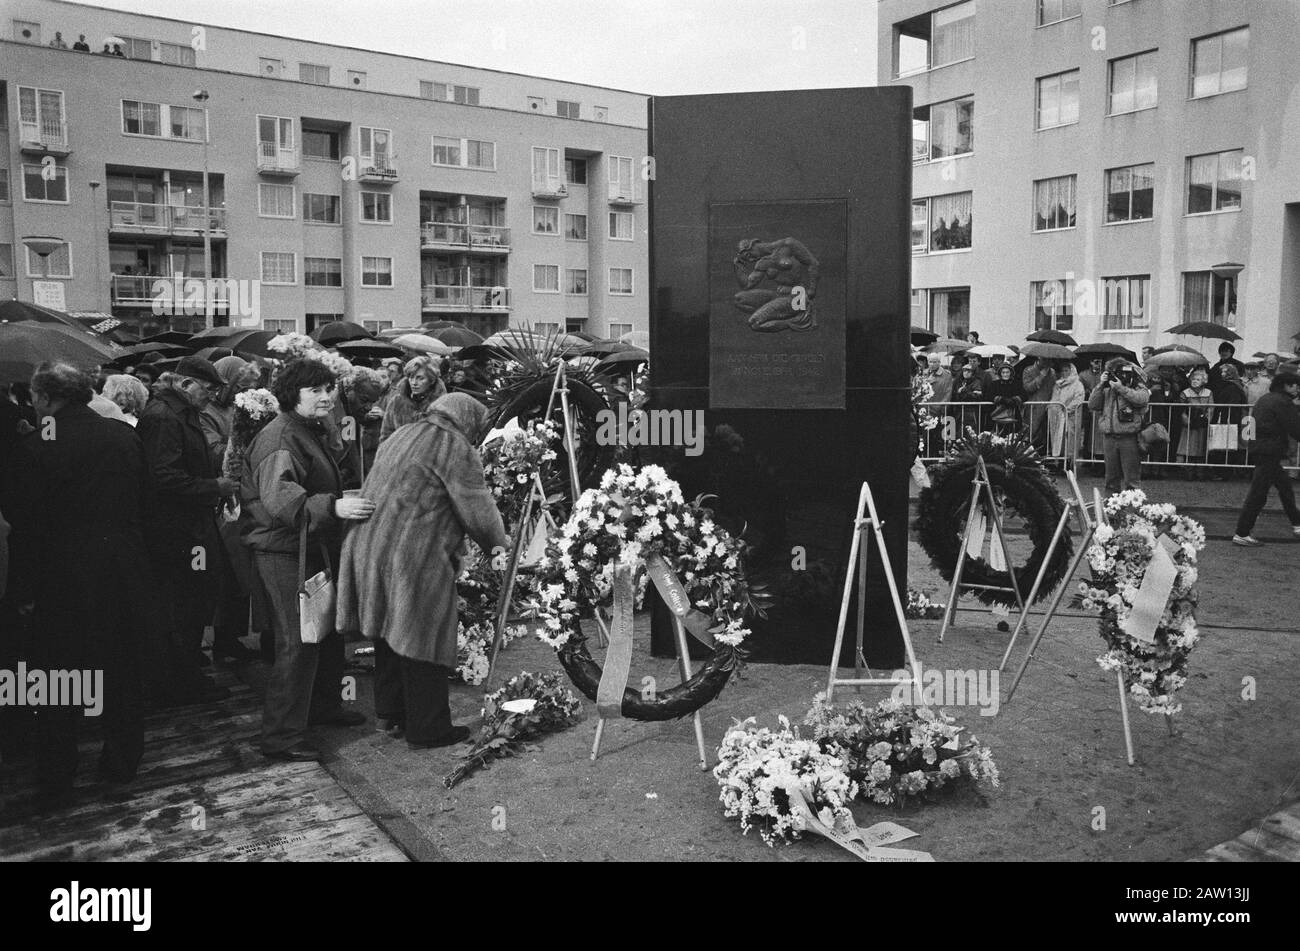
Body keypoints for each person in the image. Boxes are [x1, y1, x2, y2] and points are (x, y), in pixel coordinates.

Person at [5, 364, 152, 807]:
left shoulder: (35, 446)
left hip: (61, 577)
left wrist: (23, 591)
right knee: (122, 668)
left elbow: (24, 524)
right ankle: (123, 760)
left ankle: (57, 775)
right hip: (121, 570)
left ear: (46, 399)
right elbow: (145, 503)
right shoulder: (123, 436)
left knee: (60, 675)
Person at [337, 394, 510, 749]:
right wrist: (498, 544)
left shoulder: (401, 433)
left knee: (386, 631)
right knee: (422, 636)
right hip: (411, 553)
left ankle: (390, 715)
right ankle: (428, 728)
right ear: (468, 421)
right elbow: (477, 507)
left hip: (369, 544)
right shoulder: (453, 445)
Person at [241, 358, 373, 761]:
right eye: (315, 390)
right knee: (297, 640)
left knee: (325, 631)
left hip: (308, 546)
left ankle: (322, 707)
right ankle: (280, 737)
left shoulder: (307, 429)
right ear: (291, 394)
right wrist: (332, 506)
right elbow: (280, 499)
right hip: (283, 551)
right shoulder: (280, 436)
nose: (326, 396)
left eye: (329, 388)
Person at [137, 355, 235, 703]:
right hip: (177, 533)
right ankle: (177, 683)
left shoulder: (182, 412)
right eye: (207, 390)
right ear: (185, 384)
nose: (210, 397)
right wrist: (214, 487)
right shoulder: (164, 417)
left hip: (189, 527)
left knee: (192, 605)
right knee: (181, 607)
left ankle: (184, 676)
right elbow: (162, 477)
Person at [199, 355, 264, 663]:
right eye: (239, 386)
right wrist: (241, 437)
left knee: (241, 572)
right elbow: (214, 452)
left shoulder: (235, 410)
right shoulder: (207, 412)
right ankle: (223, 637)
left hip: (244, 493)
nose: (242, 392)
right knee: (228, 571)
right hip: (223, 499)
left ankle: (233, 635)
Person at [1232, 371, 1300, 546]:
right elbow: (1295, 428)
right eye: (1295, 385)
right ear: (1286, 385)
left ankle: (1297, 524)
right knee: (1258, 494)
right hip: (1270, 450)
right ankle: (1242, 532)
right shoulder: (1284, 402)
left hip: (1261, 448)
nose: (1297, 388)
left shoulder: (1266, 398)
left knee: (1284, 487)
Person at [1088, 359, 1149, 494]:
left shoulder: (1135, 383)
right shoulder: (1106, 388)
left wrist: (1121, 388)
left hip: (1129, 437)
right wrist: (1100, 385)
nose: (1117, 376)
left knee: (1131, 480)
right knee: (1111, 479)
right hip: (1109, 437)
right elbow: (1092, 405)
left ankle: (1132, 512)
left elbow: (1142, 399)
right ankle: (1111, 512)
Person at [379, 355, 447, 443]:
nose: (414, 383)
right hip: (399, 454)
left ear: (432, 380)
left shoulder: (441, 405)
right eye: (411, 377)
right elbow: (386, 436)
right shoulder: (397, 401)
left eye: (420, 378)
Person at [1210, 364, 1249, 477]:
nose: (1222, 374)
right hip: (1229, 418)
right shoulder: (1235, 386)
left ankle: (1223, 472)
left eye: (1224, 371)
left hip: (1228, 419)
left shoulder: (1232, 387)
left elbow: (1232, 405)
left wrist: (1227, 419)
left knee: (1225, 446)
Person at [1176, 367, 1213, 480]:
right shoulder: (1185, 393)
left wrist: (1207, 419)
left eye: (1198, 379)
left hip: (1202, 424)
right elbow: (1181, 409)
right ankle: (1189, 472)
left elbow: (1211, 407)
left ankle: (1200, 472)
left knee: (1201, 447)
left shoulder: (1208, 392)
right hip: (1189, 424)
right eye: (1193, 379)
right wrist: (1186, 420)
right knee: (1188, 447)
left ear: (1204, 381)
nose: (1195, 381)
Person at [1048, 361, 1085, 465]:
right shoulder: (1058, 384)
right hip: (1058, 416)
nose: (1064, 373)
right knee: (1058, 439)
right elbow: (1054, 399)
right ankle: (1058, 462)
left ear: (1071, 371)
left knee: (1070, 439)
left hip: (1071, 416)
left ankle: (1070, 462)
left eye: (1066, 370)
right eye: (1062, 370)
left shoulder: (1077, 384)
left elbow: (1079, 398)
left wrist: (1067, 408)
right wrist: (1054, 407)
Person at [1021, 357, 1057, 453]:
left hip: (1049, 407)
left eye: (1049, 360)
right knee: (1031, 435)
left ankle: (1044, 458)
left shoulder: (1052, 372)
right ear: (1038, 358)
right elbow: (1028, 388)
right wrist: (1041, 376)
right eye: (1044, 360)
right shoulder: (1028, 370)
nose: (1047, 362)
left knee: (1046, 436)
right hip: (1033, 408)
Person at [986, 363, 1023, 437]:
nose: (1005, 374)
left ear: (1011, 373)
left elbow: (1024, 395)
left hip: (1013, 414)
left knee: (1012, 435)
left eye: (1007, 372)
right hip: (997, 413)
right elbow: (988, 396)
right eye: (1003, 372)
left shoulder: (1016, 384)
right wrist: (1001, 399)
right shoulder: (994, 384)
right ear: (1000, 374)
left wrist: (1014, 399)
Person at [951, 361, 984, 433]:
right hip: (959, 412)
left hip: (971, 412)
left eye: (969, 371)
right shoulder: (958, 381)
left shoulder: (977, 382)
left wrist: (965, 391)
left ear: (973, 373)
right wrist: (958, 393)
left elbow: (978, 396)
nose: (966, 373)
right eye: (964, 371)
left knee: (971, 432)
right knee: (959, 432)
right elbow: (954, 395)